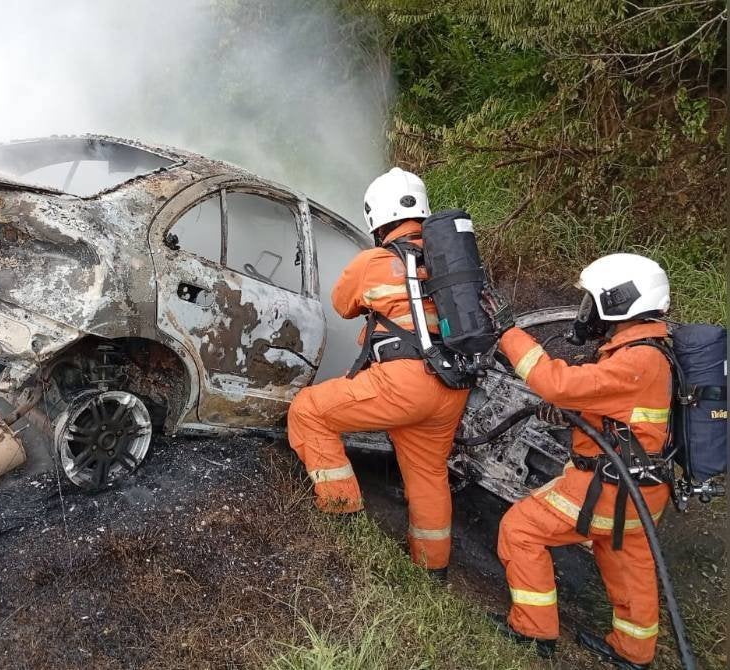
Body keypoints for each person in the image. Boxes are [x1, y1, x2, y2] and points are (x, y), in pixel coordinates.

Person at [484, 253, 673, 669]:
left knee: (521, 530)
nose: (588, 311)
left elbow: (555, 382)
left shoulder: (638, 360)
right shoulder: (656, 352)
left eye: (593, 300)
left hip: (607, 489)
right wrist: (577, 412)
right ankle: (634, 650)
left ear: (619, 301)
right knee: (627, 563)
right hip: (645, 490)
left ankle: (533, 630)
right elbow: (626, 417)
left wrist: (508, 332)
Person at [286, 167, 471, 578]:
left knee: (309, 410)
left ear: (375, 217)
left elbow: (341, 304)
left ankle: (342, 516)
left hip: (405, 383)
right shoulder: (451, 264)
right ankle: (432, 568)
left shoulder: (374, 261)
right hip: (452, 385)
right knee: (427, 474)